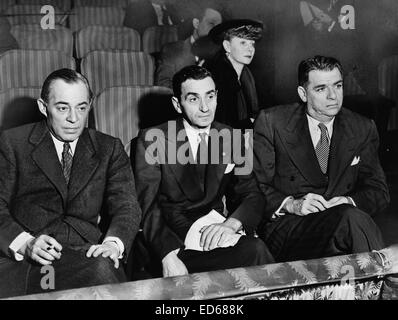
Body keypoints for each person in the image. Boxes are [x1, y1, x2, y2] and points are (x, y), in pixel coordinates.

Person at [0, 69, 141, 298]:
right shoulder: (12, 143)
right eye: (63, 108)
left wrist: (113, 244)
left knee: (104, 269)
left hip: (86, 254)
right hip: (30, 258)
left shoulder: (109, 148)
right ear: (43, 107)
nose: (74, 119)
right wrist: (25, 243)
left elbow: (126, 205)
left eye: (82, 108)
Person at [134, 65, 273, 277]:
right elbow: (147, 204)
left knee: (256, 250)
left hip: (215, 228)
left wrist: (231, 224)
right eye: (193, 99)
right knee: (254, 254)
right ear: (177, 104)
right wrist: (167, 255)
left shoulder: (232, 137)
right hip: (170, 237)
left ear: (217, 96)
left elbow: (252, 193)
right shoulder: (153, 138)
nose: (205, 107)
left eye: (209, 96)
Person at [253, 55, 390, 262]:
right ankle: (382, 279)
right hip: (290, 227)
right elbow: (253, 186)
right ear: (303, 93)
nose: (333, 96)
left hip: (342, 224)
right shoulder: (273, 123)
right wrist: (291, 204)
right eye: (321, 89)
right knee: (351, 219)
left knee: (350, 215)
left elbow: (379, 192)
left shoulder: (362, 127)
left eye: (338, 86)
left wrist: (348, 200)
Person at [203, 19, 263, 129]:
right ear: (227, 46)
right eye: (243, 43)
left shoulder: (247, 74)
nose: (250, 49)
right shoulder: (216, 75)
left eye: (252, 44)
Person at [155, 4, 222, 89]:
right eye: (211, 23)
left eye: (219, 26)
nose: (216, 30)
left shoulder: (222, 55)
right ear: (196, 23)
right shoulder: (172, 51)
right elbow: (163, 86)